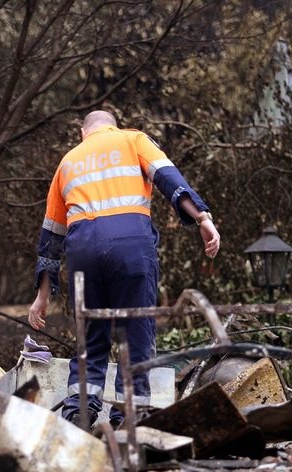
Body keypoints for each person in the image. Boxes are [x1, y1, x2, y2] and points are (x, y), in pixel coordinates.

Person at [28, 110, 220, 429]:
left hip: (83, 251)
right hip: (131, 245)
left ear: (82, 132)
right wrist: (203, 219)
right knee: (135, 328)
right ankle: (131, 412)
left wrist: (42, 296)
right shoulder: (133, 140)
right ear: (113, 125)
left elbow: (51, 236)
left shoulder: (68, 162)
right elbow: (168, 178)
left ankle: (79, 411)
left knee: (91, 332)